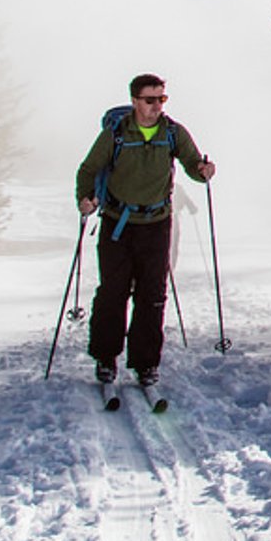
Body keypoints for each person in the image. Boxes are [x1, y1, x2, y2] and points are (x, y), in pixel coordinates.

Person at [75, 73, 216, 388]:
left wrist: (203, 171)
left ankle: (146, 364)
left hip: (156, 223)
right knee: (113, 293)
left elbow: (193, 164)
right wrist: (86, 199)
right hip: (117, 223)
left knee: (152, 296)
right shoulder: (116, 134)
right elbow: (88, 169)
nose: (157, 106)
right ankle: (105, 357)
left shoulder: (173, 133)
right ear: (135, 101)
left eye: (161, 99)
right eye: (150, 100)